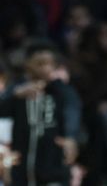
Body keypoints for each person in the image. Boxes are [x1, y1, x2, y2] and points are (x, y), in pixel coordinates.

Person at [0, 40, 82, 186]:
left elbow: (72, 112)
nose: (45, 68)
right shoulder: (19, 89)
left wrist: (70, 136)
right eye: (40, 63)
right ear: (28, 64)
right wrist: (14, 95)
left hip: (53, 170)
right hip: (22, 170)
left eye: (49, 63)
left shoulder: (62, 91)